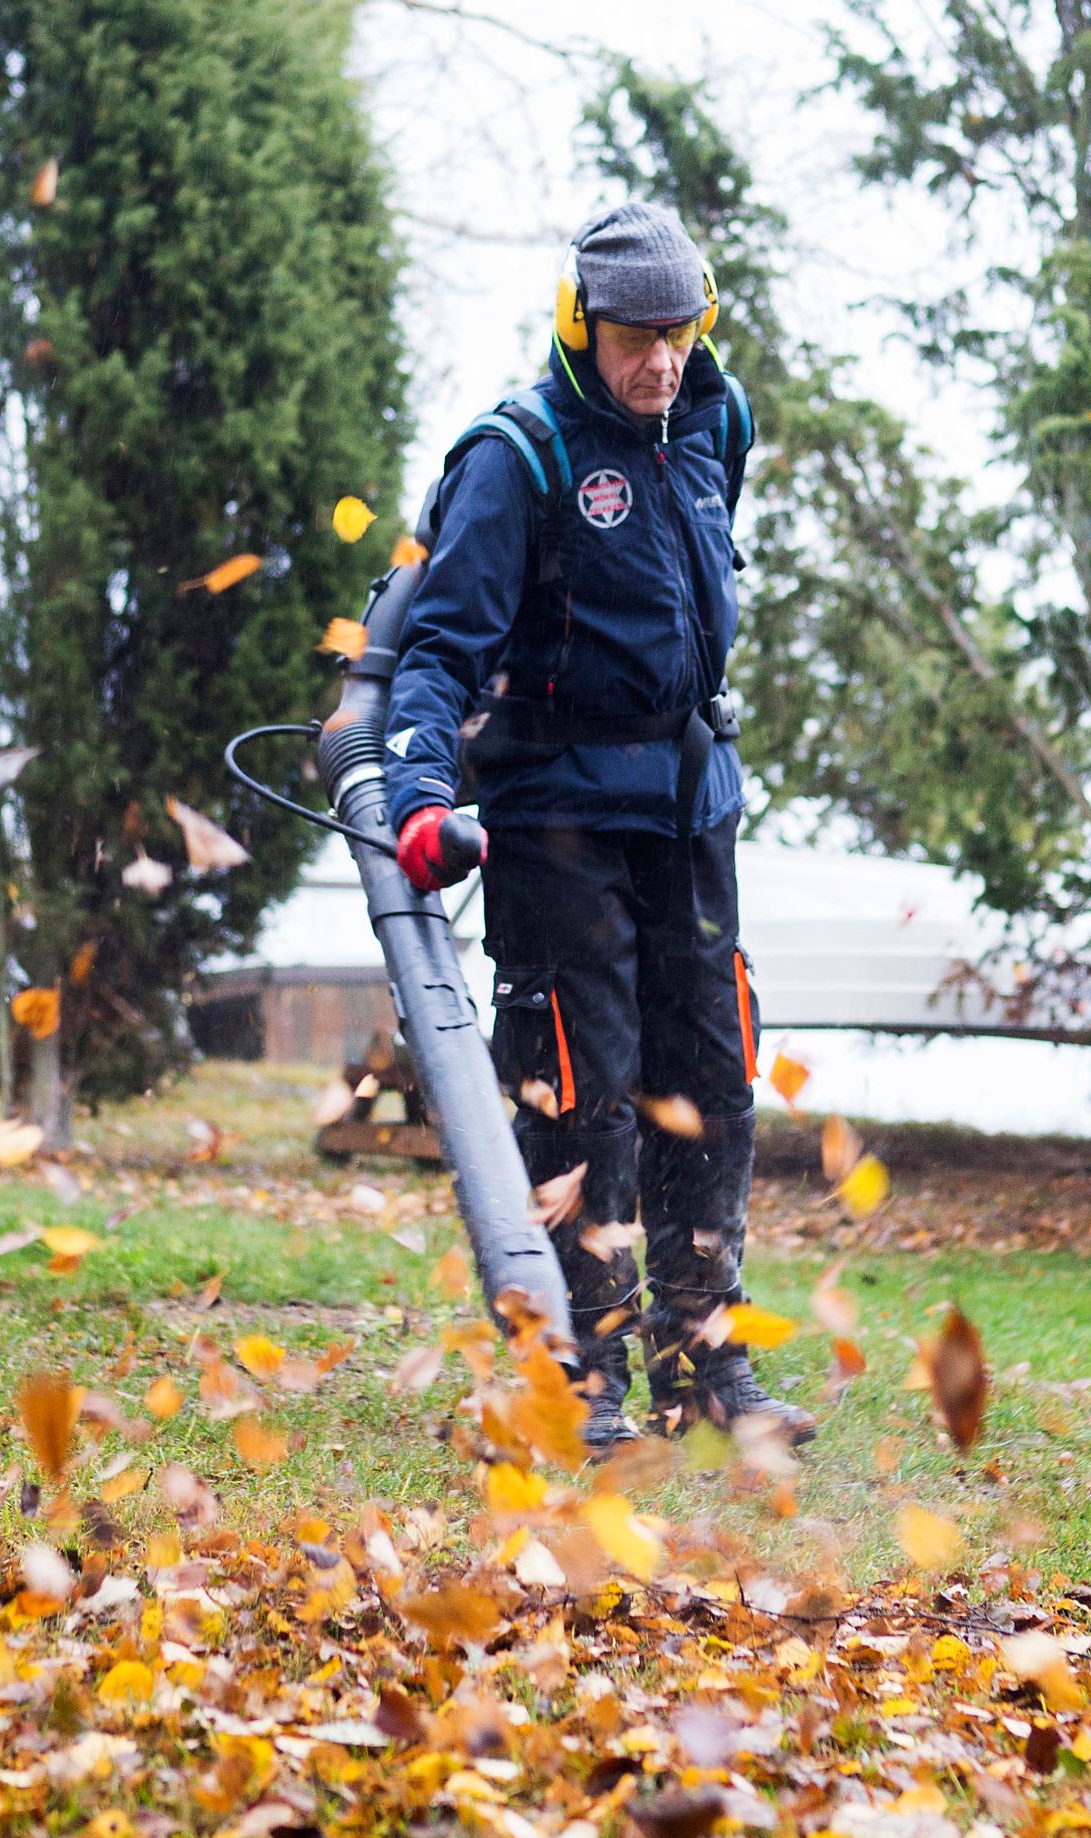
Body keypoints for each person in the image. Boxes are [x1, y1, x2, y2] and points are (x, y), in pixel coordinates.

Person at [381, 201, 815, 1453]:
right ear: (580, 322)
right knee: (586, 1091)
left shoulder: (713, 423)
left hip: (689, 808)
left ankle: (706, 1358)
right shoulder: (516, 456)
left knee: (711, 1076)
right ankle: (583, 1374)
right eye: (636, 335)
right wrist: (416, 798)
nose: (660, 360)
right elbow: (434, 653)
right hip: (558, 816)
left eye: (680, 332)